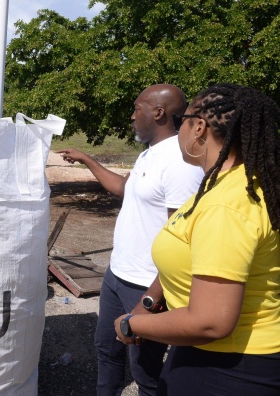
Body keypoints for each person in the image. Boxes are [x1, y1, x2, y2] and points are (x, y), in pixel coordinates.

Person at [114, 84, 280, 395]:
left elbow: (210, 321)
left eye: (183, 121)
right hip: (211, 356)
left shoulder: (226, 205)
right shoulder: (227, 185)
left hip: (228, 369)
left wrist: (129, 324)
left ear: (199, 127)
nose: (179, 131)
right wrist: (149, 303)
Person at [57, 84, 204, 396]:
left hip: (146, 284)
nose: (132, 116)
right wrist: (88, 160)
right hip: (117, 275)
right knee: (106, 350)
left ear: (158, 113)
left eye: (137, 108)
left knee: (146, 372)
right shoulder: (150, 153)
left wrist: (150, 301)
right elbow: (126, 189)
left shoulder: (180, 163)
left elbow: (185, 241)